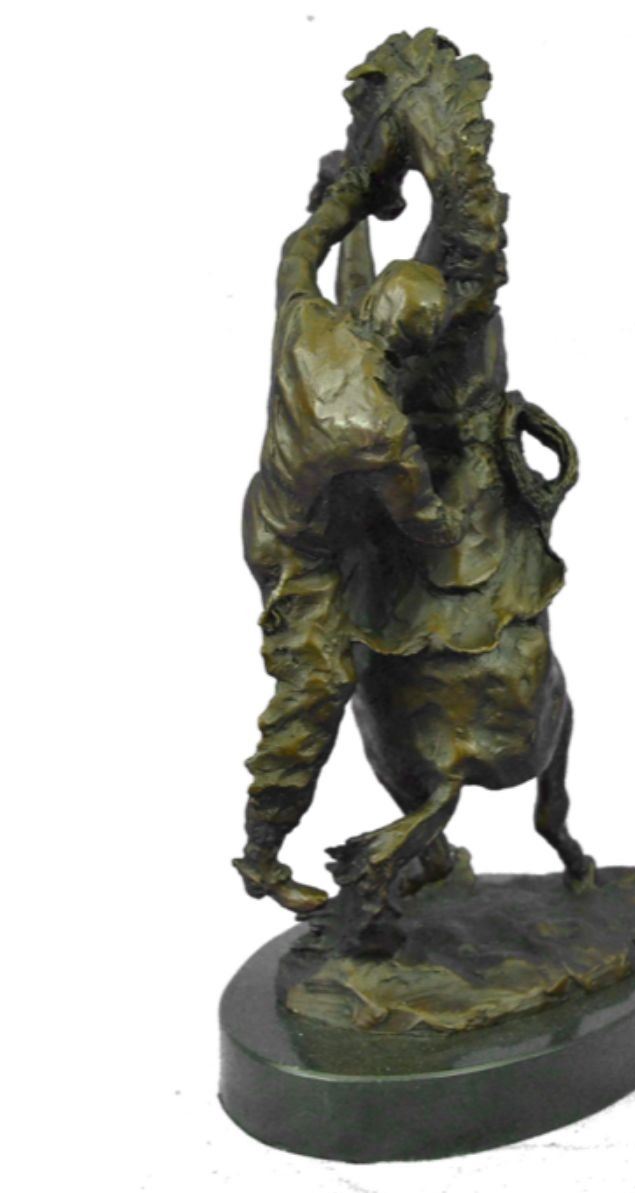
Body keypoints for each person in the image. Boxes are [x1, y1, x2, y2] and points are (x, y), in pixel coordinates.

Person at [233, 168, 460, 914]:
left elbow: (299, 252)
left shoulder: (305, 324)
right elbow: (427, 522)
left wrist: (343, 204)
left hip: (275, 510)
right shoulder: (380, 432)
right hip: (301, 559)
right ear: (412, 343)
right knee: (318, 686)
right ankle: (262, 856)